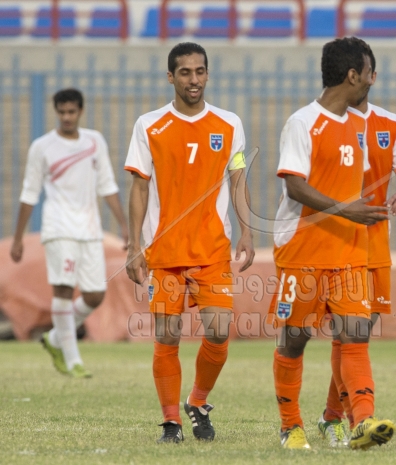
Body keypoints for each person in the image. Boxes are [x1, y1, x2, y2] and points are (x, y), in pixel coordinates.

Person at [270, 37, 396, 450]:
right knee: (295, 339)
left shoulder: (358, 126)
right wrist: (347, 210)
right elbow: (295, 185)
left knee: (355, 335)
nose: (372, 81)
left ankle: (363, 421)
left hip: (349, 251)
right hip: (303, 250)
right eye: (368, 73)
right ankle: (291, 426)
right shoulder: (303, 123)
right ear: (352, 75)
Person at [124, 42, 254, 444]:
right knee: (167, 336)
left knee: (219, 331)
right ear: (170, 77)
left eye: (199, 71)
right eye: (185, 72)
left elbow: (238, 180)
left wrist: (248, 229)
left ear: (207, 74)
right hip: (164, 252)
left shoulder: (229, 124)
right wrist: (133, 245)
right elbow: (139, 188)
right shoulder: (149, 125)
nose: (193, 79)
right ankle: (171, 422)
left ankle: (197, 401)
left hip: (212, 249)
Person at [316, 46, 396, 448]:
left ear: (370, 77)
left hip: (375, 245)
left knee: (356, 334)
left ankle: (331, 417)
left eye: (362, 71)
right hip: (333, 242)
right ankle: (353, 419)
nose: (358, 78)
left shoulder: (389, 124)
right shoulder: (319, 122)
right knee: (349, 334)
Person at [10, 88, 127, 379]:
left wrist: (124, 225)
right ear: (56, 112)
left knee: (95, 294)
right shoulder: (42, 147)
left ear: (80, 112)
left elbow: (108, 185)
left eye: (71, 112)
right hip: (59, 228)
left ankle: (54, 338)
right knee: (63, 289)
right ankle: (73, 359)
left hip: (89, 230)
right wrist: (18, 237)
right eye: (61, 112)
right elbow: (29, 192)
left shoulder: (94, 141)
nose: (66, 117)